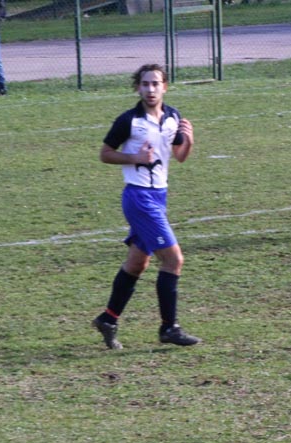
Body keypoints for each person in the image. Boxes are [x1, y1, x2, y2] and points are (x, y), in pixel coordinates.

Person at [91, 63, 198, 350]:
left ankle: (108, 319)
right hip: (139, 197)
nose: (151, 89)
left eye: (156, 84)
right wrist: (134, 158)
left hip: (159, 196)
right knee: (173, 260)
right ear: (138, 88)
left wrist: (189, 140)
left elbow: (179, 156)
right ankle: (169, 327)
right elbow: (105, 154)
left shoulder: (173, 117)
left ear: (165, 87)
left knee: (138, 263)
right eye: (145, 84)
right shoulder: (128, 121)